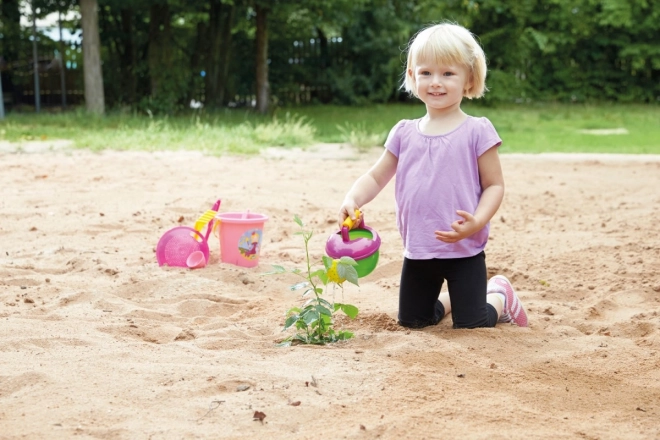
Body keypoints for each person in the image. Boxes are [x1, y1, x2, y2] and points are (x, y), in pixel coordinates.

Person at [338, 22, 528, 329]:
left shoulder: (477, 130)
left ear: (469, 79)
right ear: (412, 76)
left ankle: (499, 297)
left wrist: (478, 220)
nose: (435, 82)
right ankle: (453, 299)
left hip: (464, 248)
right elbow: (375, 177)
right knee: (413, 321)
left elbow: (494, 185)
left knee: (472, 324)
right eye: (426, 72)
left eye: (448, 73)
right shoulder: (403, 132)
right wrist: (352, 198)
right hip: (419, 249)